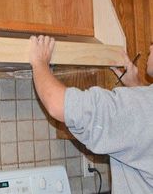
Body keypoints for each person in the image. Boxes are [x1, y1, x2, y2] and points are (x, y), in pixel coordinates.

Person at [29, 35, 153, 194]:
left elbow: (57, 104)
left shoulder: (141, 107)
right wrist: (137, 87)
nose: (150, 46)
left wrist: (39, 62)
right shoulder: (143, 106)